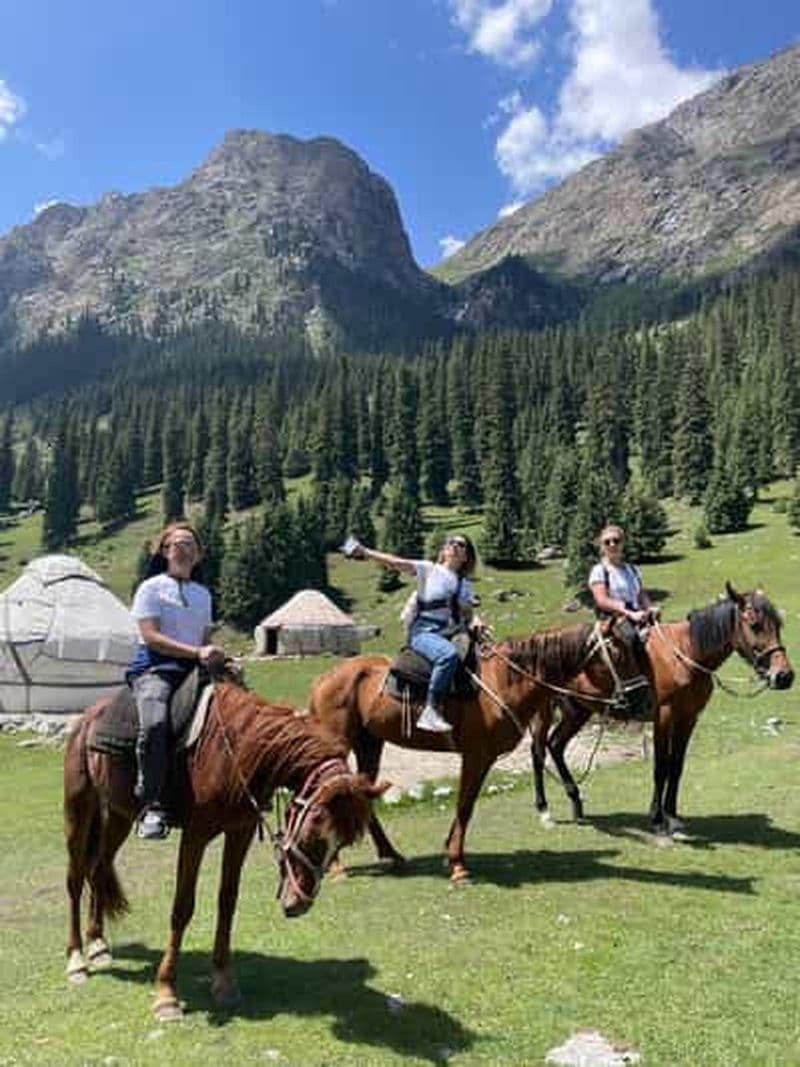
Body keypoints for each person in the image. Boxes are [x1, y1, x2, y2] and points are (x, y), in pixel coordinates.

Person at [127, 523, 226, 840]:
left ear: (198, 556)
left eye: (191, 545)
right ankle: (151, 806)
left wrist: (217, 656)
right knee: (155, 724)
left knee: (243, 713)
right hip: (157, 669)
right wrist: (198, 651)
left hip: (196, 670)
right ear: (165, 551)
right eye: (177, 544)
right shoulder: (150, 588)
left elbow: (205, 639)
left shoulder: (203, 594)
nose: (184, 549)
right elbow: (151, 637)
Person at [343, 533, 480, 733]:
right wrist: (365, 552)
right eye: (451, 542)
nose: (455, 546)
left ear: (466, 556)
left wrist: (476, 620)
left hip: (450, 632)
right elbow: (397, 562)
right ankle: (431, 711)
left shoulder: (464, 584)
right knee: (447, 655)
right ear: (444, 550)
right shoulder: (429, 569)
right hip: (423, 631)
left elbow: (468, 614)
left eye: (461, 544)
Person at [589, 524, 659, 631]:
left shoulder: (633, 569)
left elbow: (640, 594)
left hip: (638, 615)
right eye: (607, 542)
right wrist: (629, 613)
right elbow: (602, 600)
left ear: (622, 544)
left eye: (616, 541)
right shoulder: (599, 571)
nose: (612, 545)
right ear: (602, 547)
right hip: (614, 620)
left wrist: (650, 608)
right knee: (633, 640)